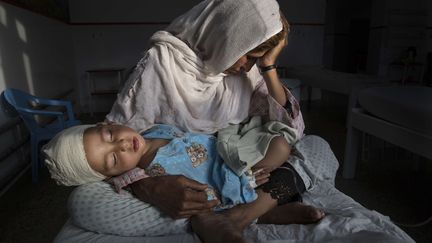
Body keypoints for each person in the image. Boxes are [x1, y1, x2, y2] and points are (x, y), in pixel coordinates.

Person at [43, 121, 325, 242]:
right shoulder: (135, 175)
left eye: (108, 135)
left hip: (232, 152)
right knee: (277, 156)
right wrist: (137, 182)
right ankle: (260, 211)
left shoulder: (154, 129)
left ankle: (259, 212)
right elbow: (124, 185)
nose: (121, 144)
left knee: (299, 145)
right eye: (113, 160)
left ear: (106, 123)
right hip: (226, 183)